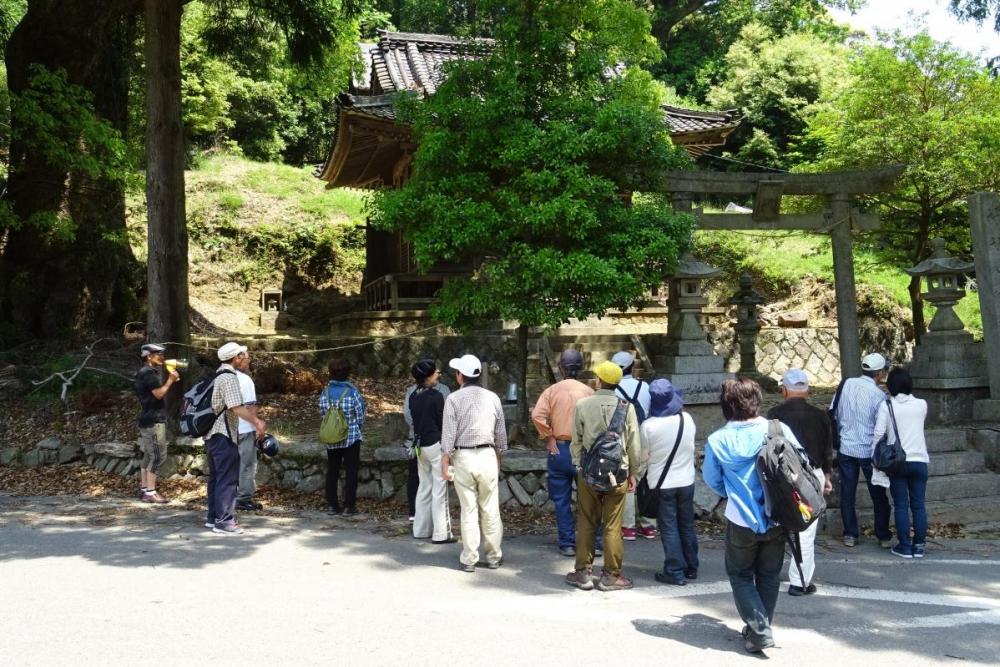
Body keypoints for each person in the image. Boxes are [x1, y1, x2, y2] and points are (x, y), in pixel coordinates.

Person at [703, 377, 802, 654]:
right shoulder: (778, 429)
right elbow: (800, 462)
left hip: (741, 518)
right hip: (779, 515)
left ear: (727, 405)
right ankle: (759, 629)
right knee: (769, 575)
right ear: (756, 400)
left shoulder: (718, 439)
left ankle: (759, 631)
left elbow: (712, 480)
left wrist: (735, 490)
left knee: (740, 574)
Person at [566, 360, 640, 592]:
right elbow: (634, 444)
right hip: (617, 473)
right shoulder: (626, 406)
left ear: (599, 381)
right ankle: (610, 575)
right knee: (612, 526)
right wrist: (633, 472)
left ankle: (582, 573)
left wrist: (579, 464)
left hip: (588, 473)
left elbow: (576, 439)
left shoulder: (583, 404)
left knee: (586, 522)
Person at [766, 368, 833, 595]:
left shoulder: (774, 414)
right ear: (808, 390)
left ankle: (767, 570)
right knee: (805, 527)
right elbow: (827, 451)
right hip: (811, 476)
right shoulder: (821, 416)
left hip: (781, 476)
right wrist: (827, 477)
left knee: (776, 524)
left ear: (784, 390)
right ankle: (800, 580)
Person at [440, 354, 507, 572]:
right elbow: (501, 435)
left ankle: (469, 558)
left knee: (468, 509)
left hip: (463, 458)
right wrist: (498, 459)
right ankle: (494, 556)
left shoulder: (453, 399)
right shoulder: (493, 398)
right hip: (488, 455)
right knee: (490, 508)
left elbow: (448, 435)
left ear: (461, 376)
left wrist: (444, 462)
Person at [531, 348, 594, 557]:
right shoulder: (589, 391)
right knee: (590, 499)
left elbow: (537, 415)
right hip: (583, 450)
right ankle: (595, 542)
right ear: (582, 368)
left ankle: (567, 543)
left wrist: (548, 436)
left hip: (559, 448)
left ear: (560, 368)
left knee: (561, 501)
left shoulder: (552, 391)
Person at [831, 352, 892, 548]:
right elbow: (882, 426)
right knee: (878, 493)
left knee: (847, 492)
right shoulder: (879, 396)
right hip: (869, 451)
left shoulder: (846, 384)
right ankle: (882, 534)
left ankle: (850, 533)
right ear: (880, 373)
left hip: (846, 447)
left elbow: (834, 410)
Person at [641, 379, 698, 586]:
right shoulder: (687, 419)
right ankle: (691, 566)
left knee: (669, 527)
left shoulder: (648, 426)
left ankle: (674, 570)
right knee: (686, 524)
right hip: (687, 480)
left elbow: (644, 456)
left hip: (662, 483)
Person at [206, 343, 266, 535]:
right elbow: (237, 407)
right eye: (243, 355)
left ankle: (213, 517)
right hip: (224, 433)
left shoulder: (215, 375)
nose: (245, 358)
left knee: (216, 477)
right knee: (227, 478)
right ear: (236, 358)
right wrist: (257, 422)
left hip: (211, 433)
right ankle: (224, 521)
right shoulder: (229, 377)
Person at [873, 368, 929, 559]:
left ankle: (905, 546)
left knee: (901, 505)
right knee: (919, 505)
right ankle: (919, 545)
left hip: (898, 462)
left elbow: (879, 434)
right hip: (920, 461)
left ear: (890, 386)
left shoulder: (886, 406)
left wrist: (876, 456)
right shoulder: (922, 405)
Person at [408, 359, 455, 543]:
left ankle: (420, 529)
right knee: (439, 489)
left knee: (424, 486)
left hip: (419, 445)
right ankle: (441, 533)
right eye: (436, 372)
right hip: (435, 444)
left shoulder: (413, 396)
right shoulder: (436, 396)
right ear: (428, 377)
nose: (438, 375)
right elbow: (442, 421)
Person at [612, 350, 657, 541]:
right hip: (646, 437)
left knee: (628, 480)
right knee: (647, 481)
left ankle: (628, 527)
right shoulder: (645, 386)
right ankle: (649, 525)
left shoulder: (613, 390)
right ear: (633, 367)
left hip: (624, 439)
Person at [133, 343, 180, 504]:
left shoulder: (144, 372)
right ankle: (151, 493)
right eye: (158, 353)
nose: (161, 356)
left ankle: (145, 489)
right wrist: (170, 380)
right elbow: (159, 394)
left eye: (162, 353)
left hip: (147, 418)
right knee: (159, 455)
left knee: (149, 455)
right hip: (153, 420)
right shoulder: (149, 374)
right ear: (148, 356)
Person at [319, 356, 366, 516]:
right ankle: (349, 506)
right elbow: (360, 415)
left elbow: (322, 413)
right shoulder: (352, 392)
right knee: (351, 471)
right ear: (347, 373)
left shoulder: (325, 392)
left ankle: (332, 505)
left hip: (332, 438)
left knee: (332, 470)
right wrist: (356, 428)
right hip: (351, 437)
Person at [235, 361, 262, 512]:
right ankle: (243, 498)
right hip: (244, 427)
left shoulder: (220, 377)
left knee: (231, 464)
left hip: (226, 429)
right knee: (247, 465)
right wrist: (257, 424)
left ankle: (228, 495)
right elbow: (250, 406)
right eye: (246, 358)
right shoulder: (245, 380)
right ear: (238, 358)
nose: (249, 361)